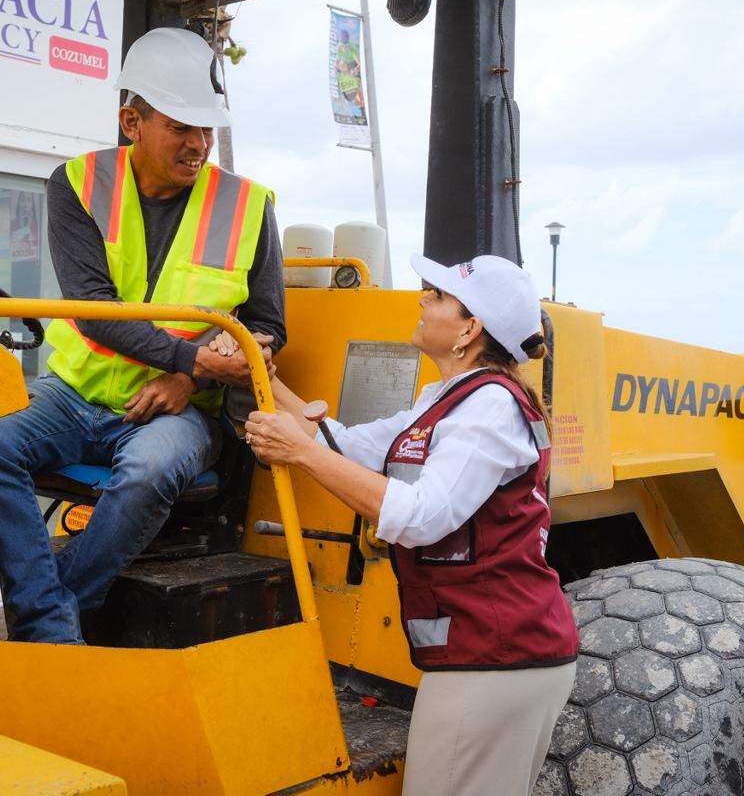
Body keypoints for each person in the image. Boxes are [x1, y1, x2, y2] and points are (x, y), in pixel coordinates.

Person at [0, 28, 286, 644]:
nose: (198, 146)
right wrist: (191, 357)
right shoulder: (78, 183)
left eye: (206, 130)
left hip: (183, 413)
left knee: (148, 469)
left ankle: (47, 623)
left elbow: (269, 328)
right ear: (131, 121)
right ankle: (54, 623)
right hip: (75, 395)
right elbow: (93, 310)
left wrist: (189, 378)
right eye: (181, 128)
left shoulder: (250, 206)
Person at [244, 254, 578, 796]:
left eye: (439, 296)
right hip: (488, 657)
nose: (422, 300)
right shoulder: (446, 399)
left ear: (470, 329)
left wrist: (298, 456)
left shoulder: (489, 406)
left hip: (495, 660)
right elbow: (345, 445)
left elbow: (423, 515)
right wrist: (264, 377)